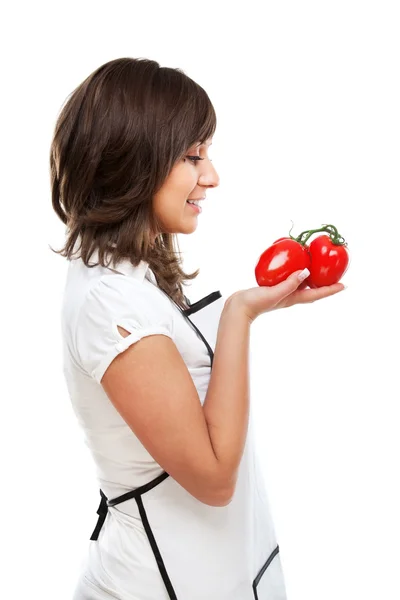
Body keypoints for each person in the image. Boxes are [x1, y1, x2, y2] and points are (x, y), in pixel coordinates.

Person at [50, 57, 345, 600]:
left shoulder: (129, 277)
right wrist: (239, 314)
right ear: (132, 160)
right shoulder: (107, 303)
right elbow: (213, 479)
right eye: (193, 156)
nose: (211, 176)